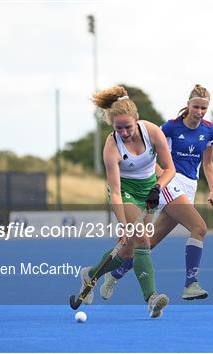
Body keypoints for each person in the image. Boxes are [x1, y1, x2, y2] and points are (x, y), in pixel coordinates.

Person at [100, 84, 213, 301]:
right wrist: (157, 183)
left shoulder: (209, 131)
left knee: (147, 243)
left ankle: (114, 274)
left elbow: (208, 164)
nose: (199, 112)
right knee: (199, 227)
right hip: (168, 183)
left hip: (189, 185)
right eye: (196, 107)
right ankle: (190, 284)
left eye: (204, 108)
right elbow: (151, 155)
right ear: (188, 105)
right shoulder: (170, 128)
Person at [77, 86, 176, 318]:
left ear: (137, 120)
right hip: (126, 193)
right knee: (141, 238)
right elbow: (115, 192)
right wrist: (123, 224)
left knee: (129, 251)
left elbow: (170, 169)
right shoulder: (111, 147)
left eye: (127, 127)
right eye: (118, 128)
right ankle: (151, 298)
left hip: (149, 191)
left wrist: (157, 187)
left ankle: (90, 275)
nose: (124, 132)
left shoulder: (152, 132)